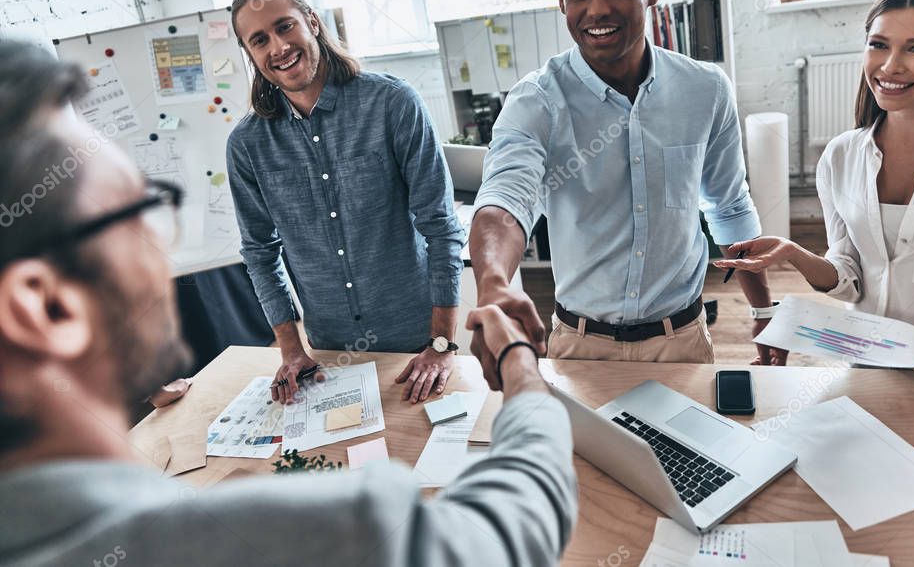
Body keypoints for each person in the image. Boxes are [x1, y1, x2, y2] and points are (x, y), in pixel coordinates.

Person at [0, 41, 576, 566]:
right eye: (134, 214)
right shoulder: (289, 533)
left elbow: (437, 224)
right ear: (43, 308)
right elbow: (513, 528)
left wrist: (442, 339)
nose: (161, 242)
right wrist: (521, 365)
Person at [715, 0, 914, 531]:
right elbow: (849, 275)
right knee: (877, 533)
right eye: (879, 44)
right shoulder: (841, 157)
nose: (890, 65)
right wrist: (792, 253)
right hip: (868, 372)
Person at [471, 0, 778, 364]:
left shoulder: (706, 89)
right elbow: (504, 201)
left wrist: (765, 309)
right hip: (579, 349)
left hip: (682, 342)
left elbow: (728, 206)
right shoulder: (537, 100)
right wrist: (493, 284)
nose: (597, 9)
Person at [227, 0, 466, 405]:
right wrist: (292, 349)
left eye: (285, 27)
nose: (278, 47)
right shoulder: (247, 145)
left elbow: (441, 228)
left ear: (312, 23)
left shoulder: (392, 104)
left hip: (418, 347)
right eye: (259, 40)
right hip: (329, 357)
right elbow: (260, 253)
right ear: (250, 54)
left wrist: (442, 344)